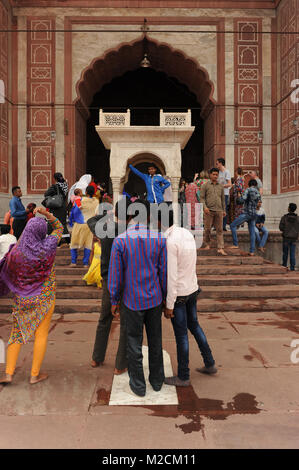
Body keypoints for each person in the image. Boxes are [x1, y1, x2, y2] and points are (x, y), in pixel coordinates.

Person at [108, 200, 167, 397]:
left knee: (133, 342)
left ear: (131, 216)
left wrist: (114, 300)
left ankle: (138, 385)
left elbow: (116, 275)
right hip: (154, 298)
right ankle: (157, 381)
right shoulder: (159, 239)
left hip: (132, 300)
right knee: (155, 340)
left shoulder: (121, 241)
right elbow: (163, 272)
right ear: (148, 216)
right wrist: (165, 296)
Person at [0, 207, 63, 385]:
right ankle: (34, 375)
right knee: (41, 334)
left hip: (22, 298)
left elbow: (8, 270)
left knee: (17, 333)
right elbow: (59, 228)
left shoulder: (16, 252)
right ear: (42, 232)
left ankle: (9, 374)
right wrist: (47, 214)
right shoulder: (48, 245)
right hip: (45, 296)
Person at [161, 210, 217, 387]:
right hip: (192, 288)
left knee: (181, 335)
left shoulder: (169, 242)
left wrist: (169, 304)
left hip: (179, 294)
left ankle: (183, 376)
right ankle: (209, 362)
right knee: (195, 325)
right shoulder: (185, 233)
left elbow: (171, 276)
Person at [89, 198, 131, 375]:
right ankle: (120, 365)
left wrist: (106, 216)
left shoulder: (105, 229)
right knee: (126, 323)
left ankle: (97, 357)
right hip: (128, 281)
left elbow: (90, 221)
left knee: (104, 318)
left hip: (108, 278)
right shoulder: (131, 232)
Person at [229, 179, 261, 256]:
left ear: (249, 184)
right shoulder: (258, 192)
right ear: (256, 184)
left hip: (247, 213)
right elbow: (259, 204)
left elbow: (242, 200)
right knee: (252, 232)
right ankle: (252, 251)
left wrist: (239, 196)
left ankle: (235, 244)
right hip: (254, 214)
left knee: (232, 225)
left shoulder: (248, 190)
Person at [69, 185, 99, 267]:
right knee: (88, 244)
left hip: (79, 224)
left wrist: (71, 221)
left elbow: (73, 212)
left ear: (86, 192)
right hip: (89, 225)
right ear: (94, 192)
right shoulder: (96, 201)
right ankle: (85, 263)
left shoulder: (79, 200)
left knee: (73, 243)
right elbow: (97, 213)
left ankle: (73, 262)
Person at [200, 168, 227, 256]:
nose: (215, 176)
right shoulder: (205, 185)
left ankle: (220, 247)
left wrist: (224, 210)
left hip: (219, 210)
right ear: (210, 175)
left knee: (219, 230)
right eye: (214, 174)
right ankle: (207, 244)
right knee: (207, 229)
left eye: (216, 174)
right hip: (209, 211)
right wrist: (205, 207)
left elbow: (223, 199)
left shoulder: (221, 186)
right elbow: (202, 198)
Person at [43, 172, 70, 245]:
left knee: (54, 223)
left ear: (55, 179)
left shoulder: (55, 186)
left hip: (56, 208)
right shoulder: (65, 185)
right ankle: (67, 240)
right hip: (63, 207)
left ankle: (56, 241)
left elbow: (46, 194)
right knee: (62, 223)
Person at [279, 203, 299, 271]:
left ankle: (284, 266)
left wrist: (285, 231)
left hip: (286, 238)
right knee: (292, 254)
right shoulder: (297, 218)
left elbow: (281, 227)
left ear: (289, 209)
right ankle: (292, 268)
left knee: (285, 253)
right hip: (294, 238)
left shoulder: (284, 217)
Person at [216, 158, 232, 230]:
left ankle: (223, 226)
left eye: (217, 163)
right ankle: (217, 226)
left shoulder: (226, 172)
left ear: (221, 163)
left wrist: (221, 186)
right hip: (218, 193)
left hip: (224, 193)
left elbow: (229, 184)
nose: (216, 165)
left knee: (224, 209)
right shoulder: (218, 172)